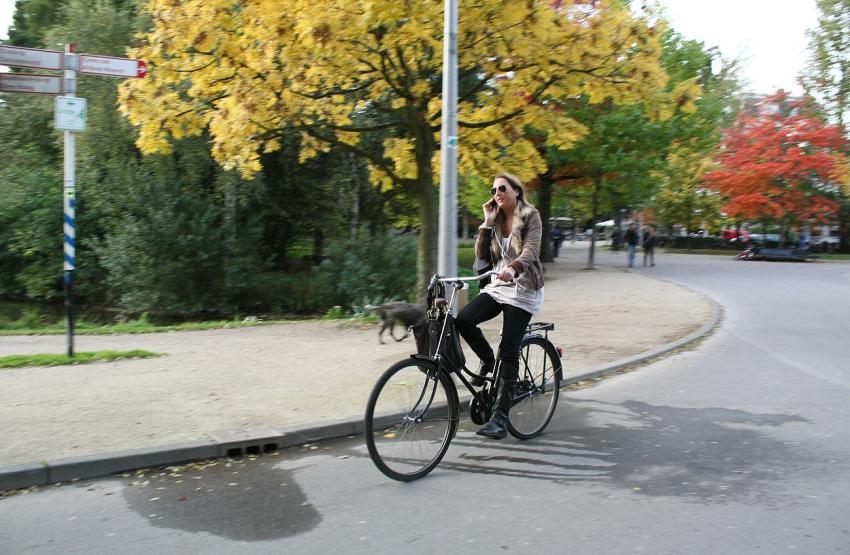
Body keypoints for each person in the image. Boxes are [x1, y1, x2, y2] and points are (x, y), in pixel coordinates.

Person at [455, 172, 545, 440]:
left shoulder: (531, 216)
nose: (497, 193)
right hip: (498, 286)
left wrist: (514, 268)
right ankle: (486, 359)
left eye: (502, 188)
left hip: (524, 289)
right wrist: (486, 223)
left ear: (516, 191)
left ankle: (500, 419)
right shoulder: (495, 220)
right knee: (463, 320)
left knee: (509, 350)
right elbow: (481, 256)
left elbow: (531, 250)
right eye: (494, 189)